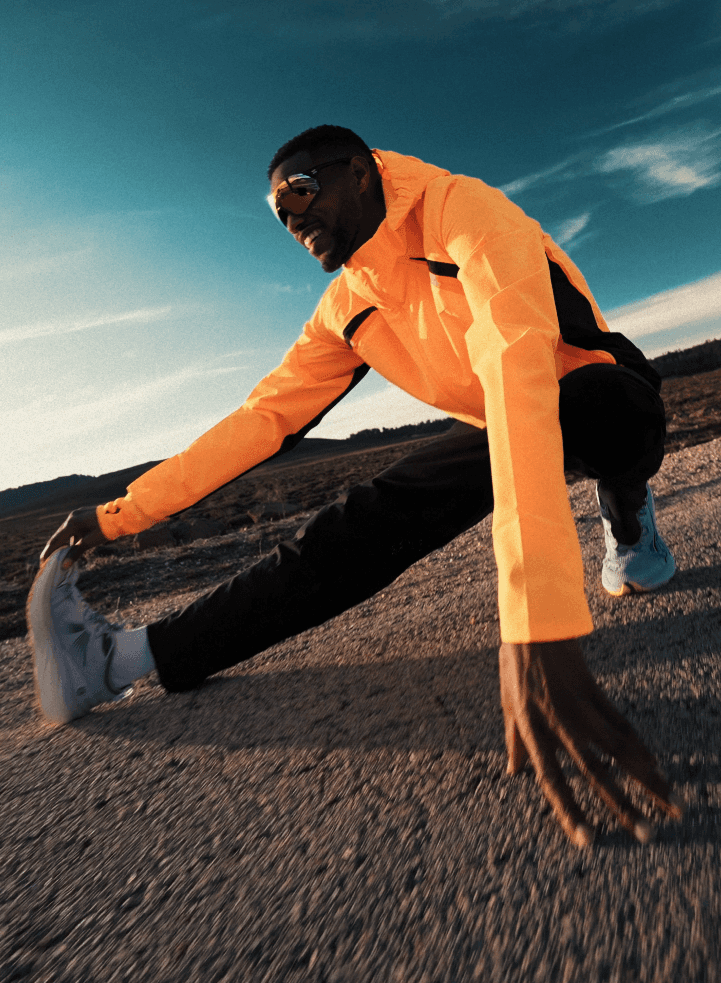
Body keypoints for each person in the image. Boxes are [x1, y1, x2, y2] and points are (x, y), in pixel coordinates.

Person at [29, 125, 681, 846]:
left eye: (300, 190)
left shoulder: (466, 212)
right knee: (366, 516)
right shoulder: (345, 307)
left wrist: (537, 626)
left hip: (597, 393)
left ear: (362, 172)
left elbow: (515, 358)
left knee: (584, 405)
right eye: (276, 211)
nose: (291, 217)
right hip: (493, 427)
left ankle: (628, 516)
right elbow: (261, 421)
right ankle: (124, 658)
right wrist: (116, 515)